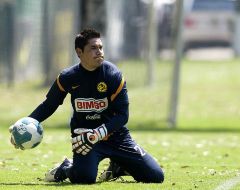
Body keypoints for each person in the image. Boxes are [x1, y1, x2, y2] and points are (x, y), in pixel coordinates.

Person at [10, 28, 164, 184]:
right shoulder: (68, 77)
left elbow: (123, 115)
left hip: (117, 138)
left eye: (100, 47)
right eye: (93, 48)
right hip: (84, 139)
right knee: (85, 178)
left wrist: (98, 133)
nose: (99, 52)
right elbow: (49, 105)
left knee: (156, 176)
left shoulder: (113, 75)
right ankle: (65, 168)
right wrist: (23, 125)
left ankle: (118, 166)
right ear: (79, 52)